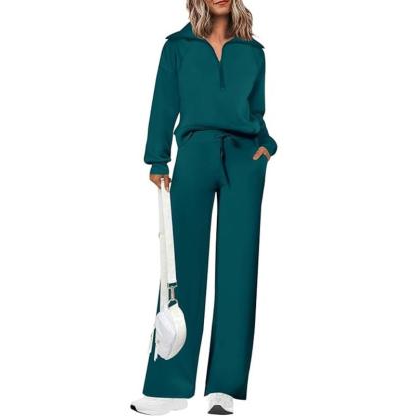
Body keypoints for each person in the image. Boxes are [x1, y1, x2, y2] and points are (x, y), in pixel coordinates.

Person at [131, 0, 277, 414]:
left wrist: (266, 146)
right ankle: (168, 388)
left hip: (244, 161)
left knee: (238, 271)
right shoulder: (177, 47)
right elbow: (164, 102)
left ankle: (223, 388)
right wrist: (158, 158)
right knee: (181, 270)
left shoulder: (253, 51)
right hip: (194, 154)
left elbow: (256, 111)